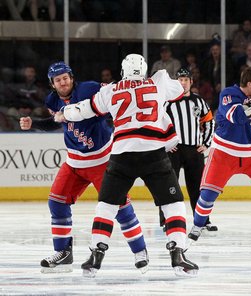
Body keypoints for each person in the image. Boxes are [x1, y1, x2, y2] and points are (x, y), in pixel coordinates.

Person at [55, 54, 198, 277]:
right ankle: (177, 252)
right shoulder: (158, 80)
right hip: (153, 153)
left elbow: (85, 109)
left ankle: (96, 255)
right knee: (174, 204)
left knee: (107, 205)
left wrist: (64, 113)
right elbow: (179, 91)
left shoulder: (111, 90)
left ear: (122, 71)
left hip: (122, 154)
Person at [18, 61, 148, 273]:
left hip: (102, 161)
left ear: (72, 77)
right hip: (74, 163)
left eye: (66, 78)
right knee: (56, 204)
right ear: (52, 84)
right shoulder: (52, 100)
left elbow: (113, 96)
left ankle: (140, 251)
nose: (63, 82)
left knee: (121, 208)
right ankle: (64, 253)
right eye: (58, 80)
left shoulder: (89, 89)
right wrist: (34, 123)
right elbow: (57, 121)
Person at [187, 67, 251, 243]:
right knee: (208, 193)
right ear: (249, 84)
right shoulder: (229, 94)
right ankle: (197, 226)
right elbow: (237, 117)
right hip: (224, 152)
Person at [158, 67, 217, 231]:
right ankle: (166, 221)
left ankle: (202, 221)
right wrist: (165, 143)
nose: (183, 83)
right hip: (173, 150)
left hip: (194, 150)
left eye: (186, 80)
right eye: (180, 80)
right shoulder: (167, 102)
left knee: (198, 187)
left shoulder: (199, 101)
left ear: (191, 82)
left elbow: (209, 121)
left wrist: (206, 143)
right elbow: (157, 122)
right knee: (168, 186)